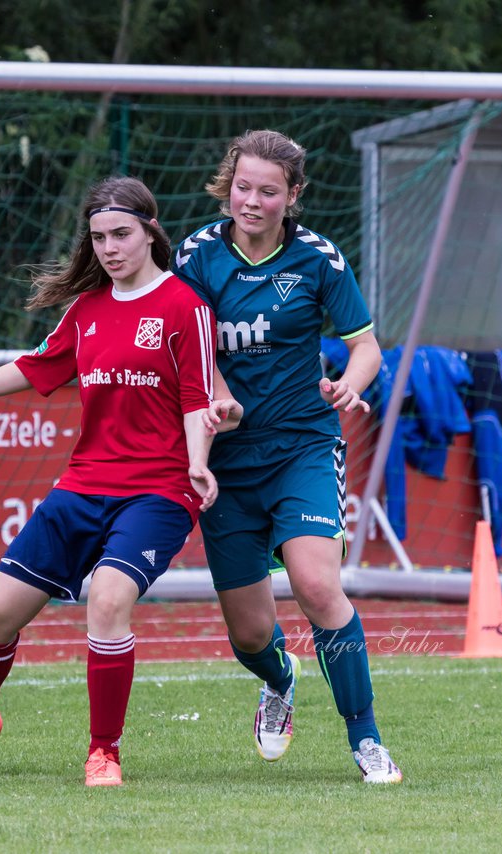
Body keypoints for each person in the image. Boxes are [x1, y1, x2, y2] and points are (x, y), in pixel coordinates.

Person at [0, 176, 233, 787]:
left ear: (150, 233)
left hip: (159, 489)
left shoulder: (186, 307)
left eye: (121, 234)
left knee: (108, 598)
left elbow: (197, 397)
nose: (109, 247)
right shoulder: (87, 310)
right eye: (99, 236)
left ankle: (104, 751)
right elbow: (34, 367)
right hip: (83, 485)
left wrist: (198, 461)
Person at [172, 130, 402, 783]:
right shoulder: (196, 257)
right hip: (226, 461)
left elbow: (366, 346)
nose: (251, 200)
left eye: (267, 191)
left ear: (292, 195)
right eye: (242, 187)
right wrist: (213, 402)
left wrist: (350, 383)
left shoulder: (319, 261)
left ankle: (367, 741)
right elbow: (184, 347)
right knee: (249, 635)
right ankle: (280, 678)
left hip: (303, 444)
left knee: (318, 585)